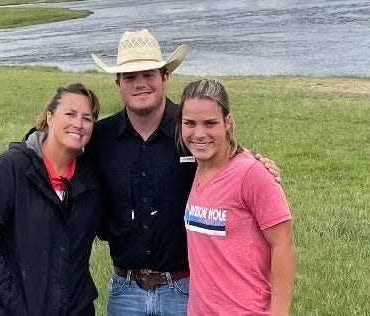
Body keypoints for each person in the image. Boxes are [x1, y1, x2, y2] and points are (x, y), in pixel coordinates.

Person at [89, 29, 281, 315]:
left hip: (185, 287)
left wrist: (259, 165)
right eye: (130, 77)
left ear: (165, 77)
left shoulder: (192, 129)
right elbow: (60, 154)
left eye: (149, 74)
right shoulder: (100, 139)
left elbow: (230, 160)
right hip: (125, 290)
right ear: (118, 83)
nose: (140, 84)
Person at [0, 83, 102, 316]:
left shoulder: (90, 179)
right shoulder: (13, 166)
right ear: (49, 117)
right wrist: (13, 300)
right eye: (70, 114)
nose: (78, 124)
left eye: (87, 118)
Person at [176, 79, 296, 315]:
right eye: (190, 123)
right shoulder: (198, 167)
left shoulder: (251, 173)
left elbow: (284, 245)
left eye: (210, 123)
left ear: (227, 122)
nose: (199, 134)